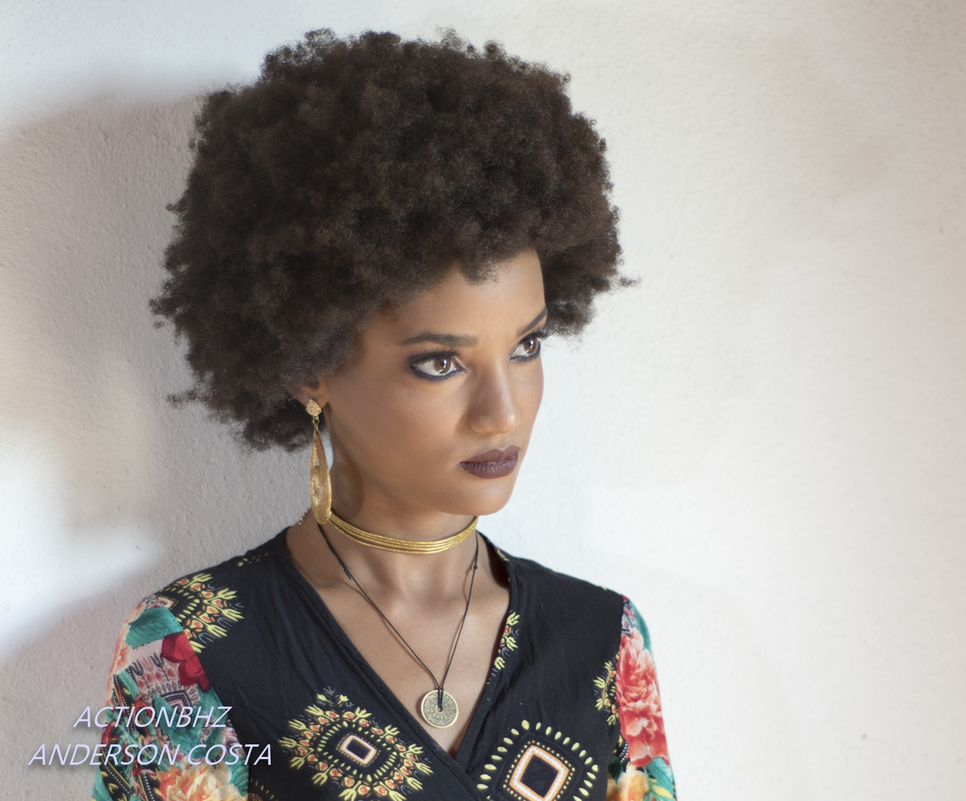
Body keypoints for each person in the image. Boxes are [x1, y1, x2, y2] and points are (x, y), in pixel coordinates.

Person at [91, 30, 674, 801]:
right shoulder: (191, 651)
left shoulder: (602, 641)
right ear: (310, 363)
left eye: (527, 346)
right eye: (440, 362)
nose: (502, 411)